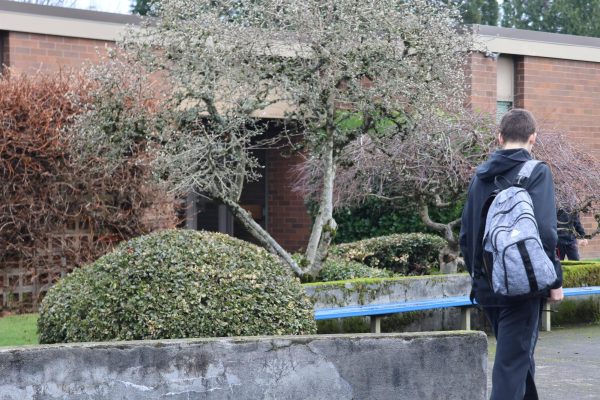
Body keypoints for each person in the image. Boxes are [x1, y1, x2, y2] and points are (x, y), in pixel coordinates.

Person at [459, 108, 564, 400]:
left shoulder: (479, 177)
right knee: (510, 365)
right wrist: (555, 280)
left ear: (499, 137)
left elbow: (467, 236)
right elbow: (545, 233)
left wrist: (479, 278)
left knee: (518, 359)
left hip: (488, 286)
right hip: (523, 288)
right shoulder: (537, 172)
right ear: (533, 137)